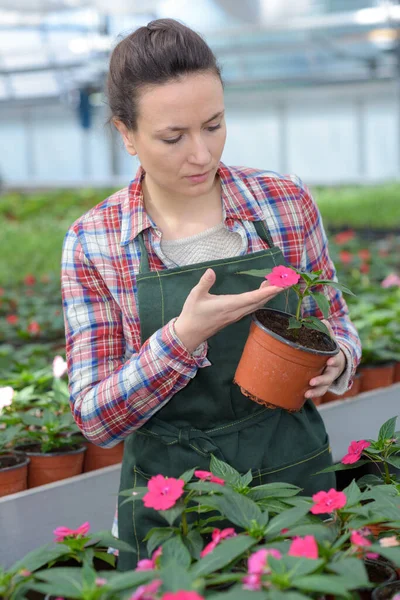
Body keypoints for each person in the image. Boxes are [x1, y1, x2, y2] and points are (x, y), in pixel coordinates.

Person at [61, 18, 361, 571]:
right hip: (174, 500)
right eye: (173, 137)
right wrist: (181, 338)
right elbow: (95, 419)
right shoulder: (95, 241)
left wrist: (337, 358)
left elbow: (336, 322)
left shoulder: (284, 203)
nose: (201, 154)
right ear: (126, 133)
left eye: (214, 125)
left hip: (289, 473)